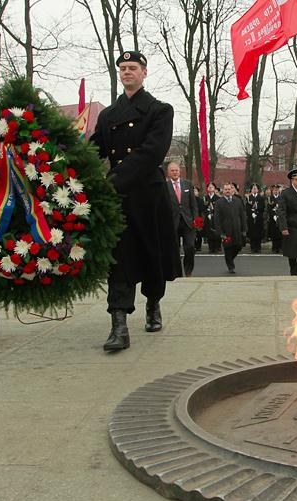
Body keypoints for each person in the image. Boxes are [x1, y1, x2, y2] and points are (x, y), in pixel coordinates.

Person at [91, 50, 179, 352]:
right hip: (118, 200)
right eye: (123, 68)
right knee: (120, 260)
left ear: (144, 72)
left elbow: (151, 153)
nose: (127, 72)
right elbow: (95, 150)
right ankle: (119, 325)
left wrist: (112, 181)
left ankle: (153, 304)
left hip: (149, 195)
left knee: (152, 257)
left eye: (133, 68)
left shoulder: (159, 110)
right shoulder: (107, 116)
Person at [166, 162, 198, 277]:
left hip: (187, 221)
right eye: (172, 170)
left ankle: (188, 271)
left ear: (180, 171)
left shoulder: (188, 184)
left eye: (176, 170)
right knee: (174, 250)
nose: (175, 172)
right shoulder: (165, 186)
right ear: (168, 172)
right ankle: (177, 272)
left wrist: (196, 219)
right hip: (172, 222)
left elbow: (193, 204)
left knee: (189, 247)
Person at [213, 182, 247, 273]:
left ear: (232, 190)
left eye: (229, 189)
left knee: (238, 246)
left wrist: (244, 229)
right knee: (228, 249)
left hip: (237, 229)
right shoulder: (218, 203)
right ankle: (230, 266)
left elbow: (242, 216)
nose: (228, 191)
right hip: (225, 231)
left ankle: (230, 259)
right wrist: (220, 232)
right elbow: (216, 219)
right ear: (223, 191)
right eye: (226, 189)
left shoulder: (238, 201)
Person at [245, 183, 265, 253]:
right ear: (251, 190)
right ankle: (252, 247)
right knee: (252, 232)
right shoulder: (248, 198)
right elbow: (247, 208)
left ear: (258, 190)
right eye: (253, 188)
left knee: (258, 232)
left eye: (256, 188)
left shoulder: (261, 198)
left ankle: (258, 247)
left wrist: (257, 211)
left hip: (259, 217)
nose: (254, 189)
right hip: (251, 217)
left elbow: (263, 207)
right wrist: (251, 213)